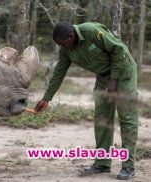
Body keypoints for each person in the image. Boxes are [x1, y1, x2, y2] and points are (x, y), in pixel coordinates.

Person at [35, 22, 138, 180]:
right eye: (60, 45)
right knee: (102, 118)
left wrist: (113, 81)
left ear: (71, 36)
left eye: (64, 43)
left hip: (124, 71)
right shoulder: (66, 50)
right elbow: (59, 72)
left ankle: (128, 167)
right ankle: (102, 163)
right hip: (104, 76)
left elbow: (119, 50)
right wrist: (47, 98)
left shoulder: (91, 31)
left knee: (127, 117)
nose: (64, 47)